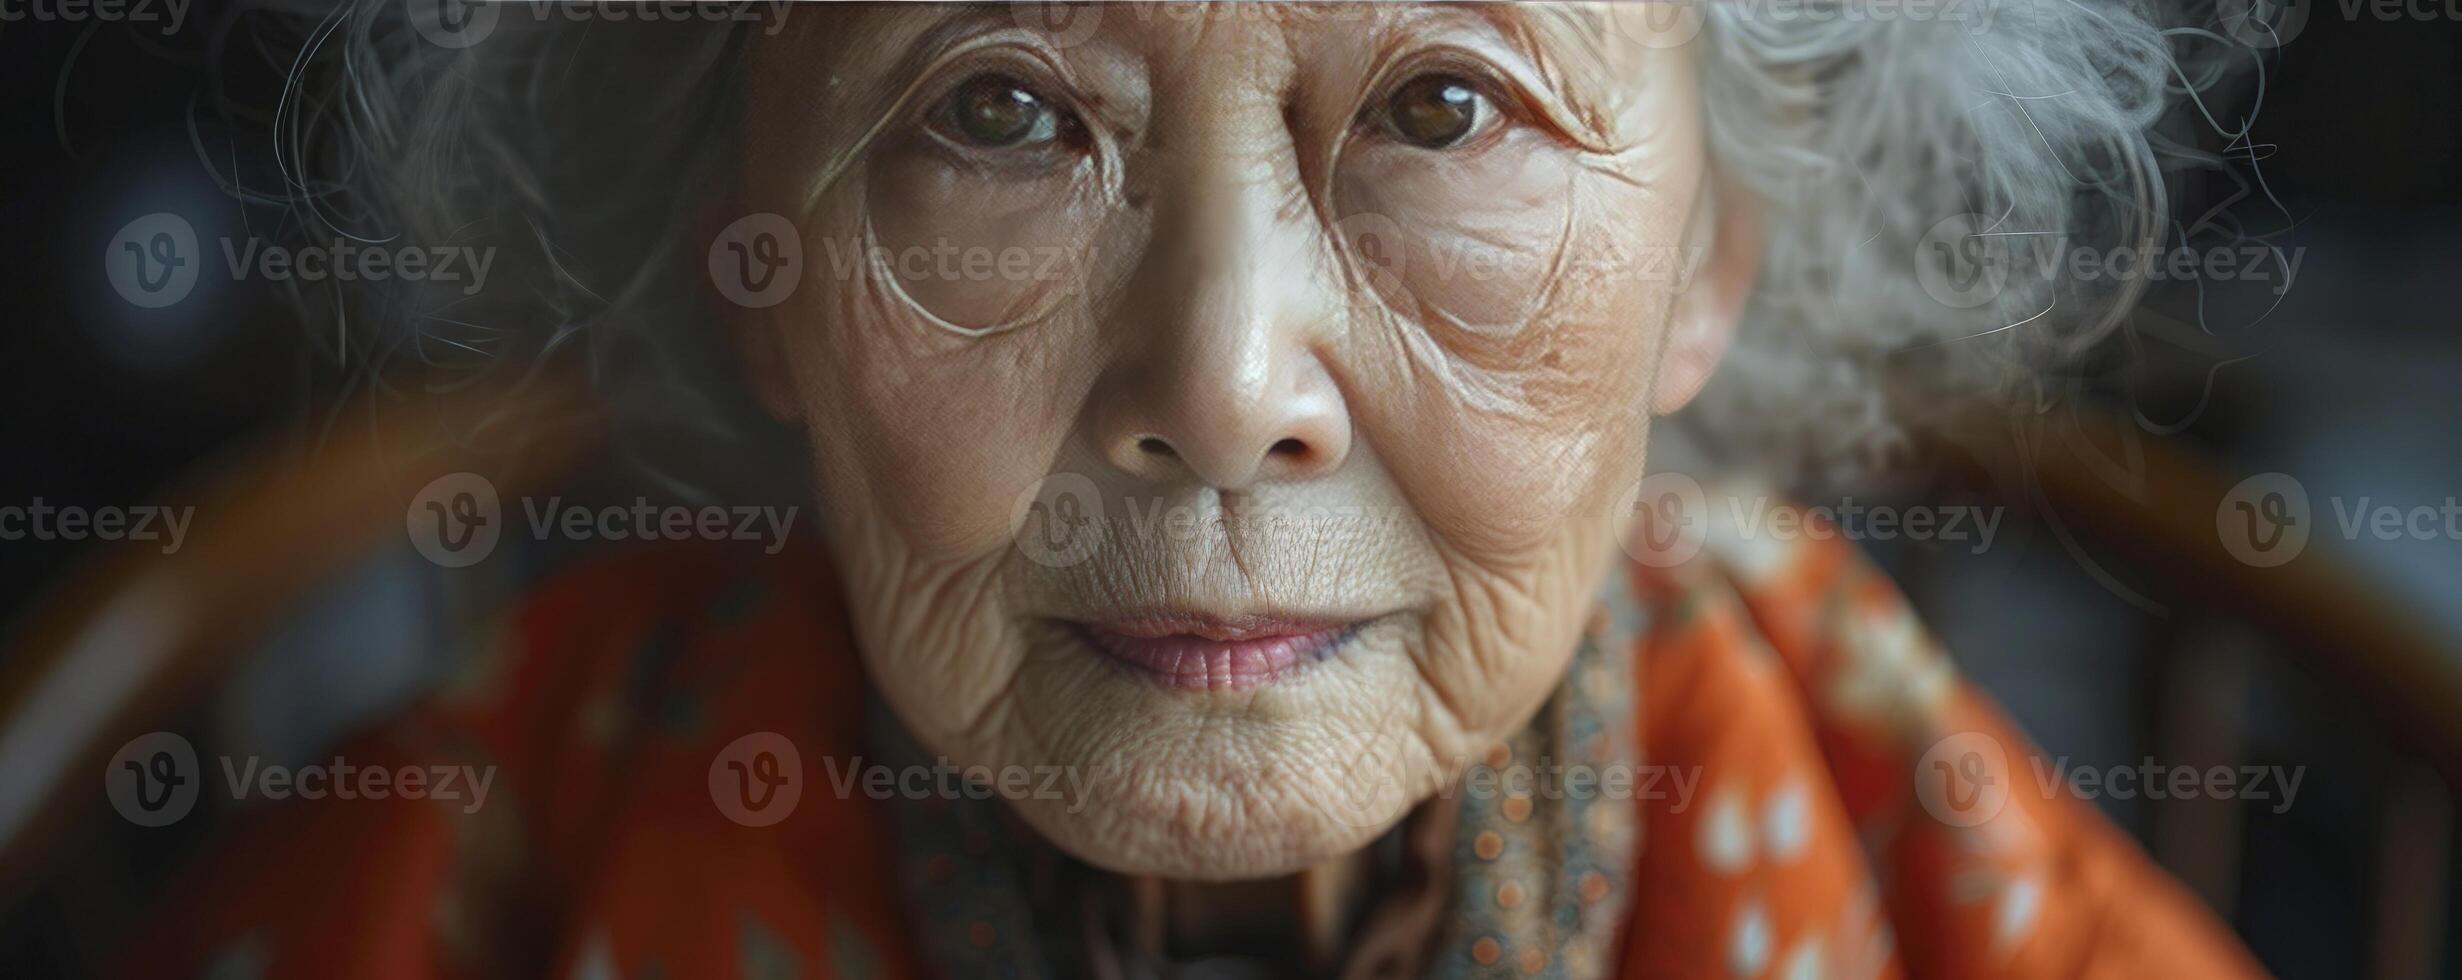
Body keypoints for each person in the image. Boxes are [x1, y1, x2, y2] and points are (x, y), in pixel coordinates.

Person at [126, 3, 2265, 976]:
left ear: (1707, 259)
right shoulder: (479, 854)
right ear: (750, 264)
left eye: (1444, 103)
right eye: (1000, 115)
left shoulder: (1924, 866)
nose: (1224, 388)